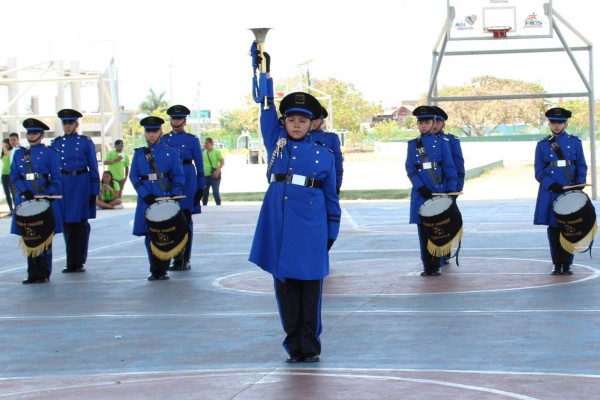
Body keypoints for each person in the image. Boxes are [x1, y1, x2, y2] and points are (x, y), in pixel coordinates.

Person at [248, 51, 341, 364]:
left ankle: (310, 344)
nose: (297, 124)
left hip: (312, 222)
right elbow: (264, 105)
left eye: (303, 120)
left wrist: (332, 227)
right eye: (291, 119)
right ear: (283, 122)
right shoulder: (276, 141)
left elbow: (331, 196)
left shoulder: (324, 154)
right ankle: (293, 344)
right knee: (285, 286)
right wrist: (263, 70)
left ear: (312, 123)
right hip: (281, 221)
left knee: (311, 286)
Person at [129, 116, 185, 281]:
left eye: (154, 131)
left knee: (165, 235)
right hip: (147, 199)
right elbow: (134, 176)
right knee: (150, 235)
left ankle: (163, 269)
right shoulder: (139, 154)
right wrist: (145, 195)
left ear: (161, 132)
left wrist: (175, 191)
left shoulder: (171, 152)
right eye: (148, 131)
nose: (151, 134)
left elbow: (178, 175)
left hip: (164, 197)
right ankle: (154, 269)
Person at [534, 107, 587, 275]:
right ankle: (556, 264)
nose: (557, 126)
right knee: (554, 229)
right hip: (550, 192)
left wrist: (579, 183)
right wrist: (550, 184)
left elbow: (581, 166)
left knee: (569, 228)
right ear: (549, 123)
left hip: (569, 191)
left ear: (565, 124)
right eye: (554, 122)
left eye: (560, 123)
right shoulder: (542, 144)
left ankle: (568, 263)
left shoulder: (575, 142)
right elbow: (538, 170)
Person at [405, 105, 457, 276]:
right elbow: (410, 168)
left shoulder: (443, 143)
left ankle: (436, 264)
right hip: (421, 193)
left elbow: (450, 167)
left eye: (427, 122)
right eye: (421, 123)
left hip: (439, 191)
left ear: (434, 122)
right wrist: (420, 187)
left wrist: (451, 190)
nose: (424, 126)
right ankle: (427, 265)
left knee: (438, 229)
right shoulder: (413, 144)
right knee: (424, 230)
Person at [10, 118, 62, 284]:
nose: (31, 135)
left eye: (35, 132)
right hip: (26, 200)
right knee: (29, 236)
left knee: (45, 236)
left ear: (41, 134)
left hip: (44, 200)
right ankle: (32, 272)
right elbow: (14, 176)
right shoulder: (19, 154)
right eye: (29, 132)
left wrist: (48, 193)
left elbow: (56, 177)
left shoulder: (50, 153)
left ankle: (44, 272)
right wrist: (23, 190)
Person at [50, 109, 100, 273]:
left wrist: (94, 190)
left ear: (76, 124)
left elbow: (93, 167)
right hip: (64, 185)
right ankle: (71, 260)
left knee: (80, 224)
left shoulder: (85, 142)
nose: (67, 126)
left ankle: (79, 260)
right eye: (64, 123)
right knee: (67, 224)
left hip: (81, 183)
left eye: (70, 123)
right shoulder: (56, 143)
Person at [162, 105, 205, 271]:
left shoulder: (192, 140)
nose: (176, 121)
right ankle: (174, 257)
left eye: (179, 119)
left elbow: (200, 165)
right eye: (174, 118)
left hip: (188, 179)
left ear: (185, 121)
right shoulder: (164, 139)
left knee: (186, 220)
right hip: (170, 179)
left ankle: (184, 259)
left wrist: (200, 187)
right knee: (170, 221)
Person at [432, 105, 465, 266]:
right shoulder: (422, 143)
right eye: (434, 121)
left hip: (448, 187)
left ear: (443, 124)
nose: (436, 124)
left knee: (446, 221)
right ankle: (434, 253)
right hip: (431, 188)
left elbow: (458, 166)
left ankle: (445, 252)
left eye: (439, 121)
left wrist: (456, 189)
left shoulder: (451, 141)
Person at [310, 106, 344, 195]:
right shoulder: (296, 138)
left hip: (325, 184)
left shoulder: (331, 138)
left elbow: (337, 163)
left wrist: (336, 184)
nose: (313, 122)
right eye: (310, 118)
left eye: (316, 119)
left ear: (322, 120)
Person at [202, 137, 224, 206]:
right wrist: (202, 149)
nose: (205, 145)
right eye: (204, 143)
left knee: (215, 192)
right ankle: (204, 206)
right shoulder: (203, 152)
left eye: (207, 143)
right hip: (206, 176)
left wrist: (218, 170)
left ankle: (218, 205)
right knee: (205, 193)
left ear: (211, 143)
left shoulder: (216, 152)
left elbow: (222, 162)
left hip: (214, 175)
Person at [1, 138, 14, 215]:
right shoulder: (3, 153)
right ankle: (10, 209)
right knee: (7, 193)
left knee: (13, 192)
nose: (3, 145)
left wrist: (4, 146)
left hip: (10, 174)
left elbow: (7, 153)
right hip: (4, 174)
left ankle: (16, 208)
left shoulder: (11, 152)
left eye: (5, 144)